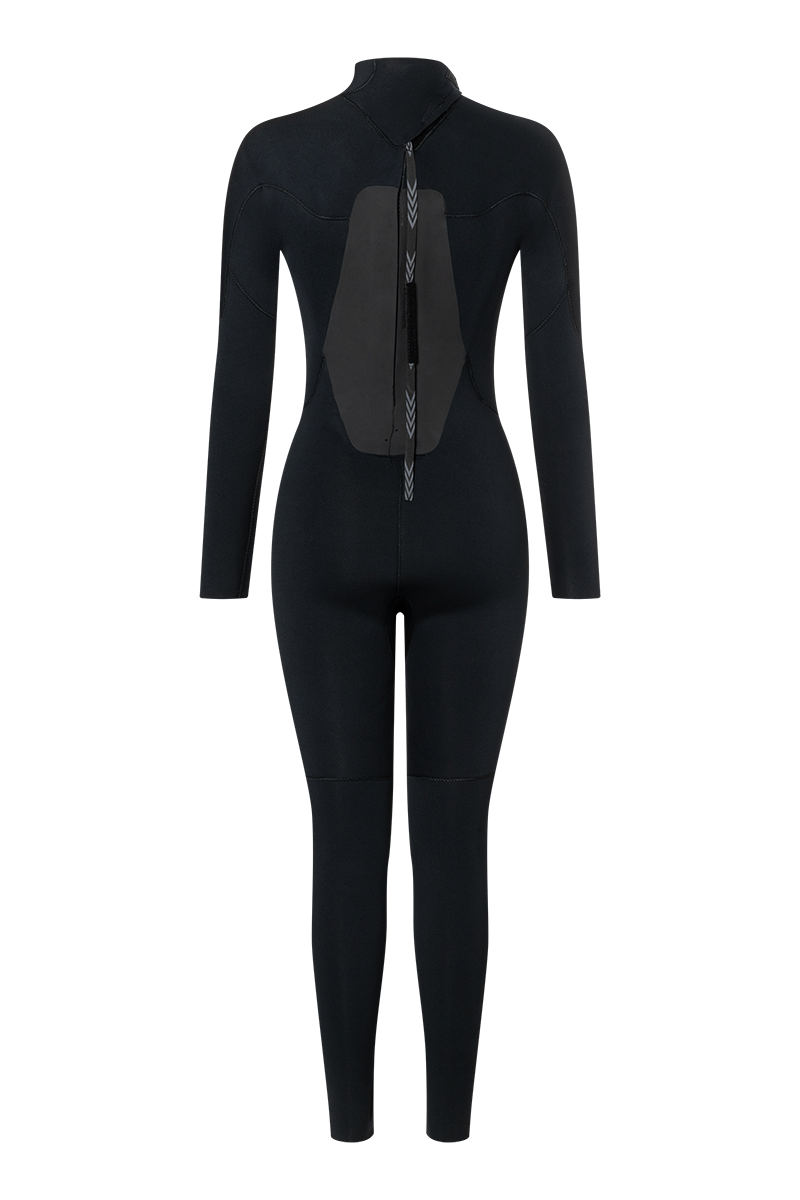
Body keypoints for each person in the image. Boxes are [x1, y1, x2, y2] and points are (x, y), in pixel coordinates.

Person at [201, 57, 599, 1142]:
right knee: (439, 838)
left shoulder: (278, 157)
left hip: (334, 533)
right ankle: (413, 1147)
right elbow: (553, 374)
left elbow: (240, 375)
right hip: (466, 528)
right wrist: (578, 583)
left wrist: (216, 587)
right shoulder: (523, 158)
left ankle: (381, 1147)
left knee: (355, 838)